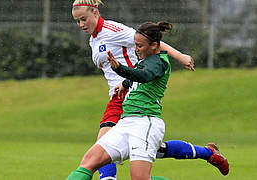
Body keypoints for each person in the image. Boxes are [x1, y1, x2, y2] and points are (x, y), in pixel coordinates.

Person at [71, 0, 229, 179]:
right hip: (119, 93)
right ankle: (208, 153)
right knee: (156, 149)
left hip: (132, 94)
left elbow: (148, 41)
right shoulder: (94, 39)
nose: (81, 24)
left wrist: (180, 56)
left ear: (95, 12)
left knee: (102, 149)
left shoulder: (112, 30)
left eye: (84, 19)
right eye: (77, 21)